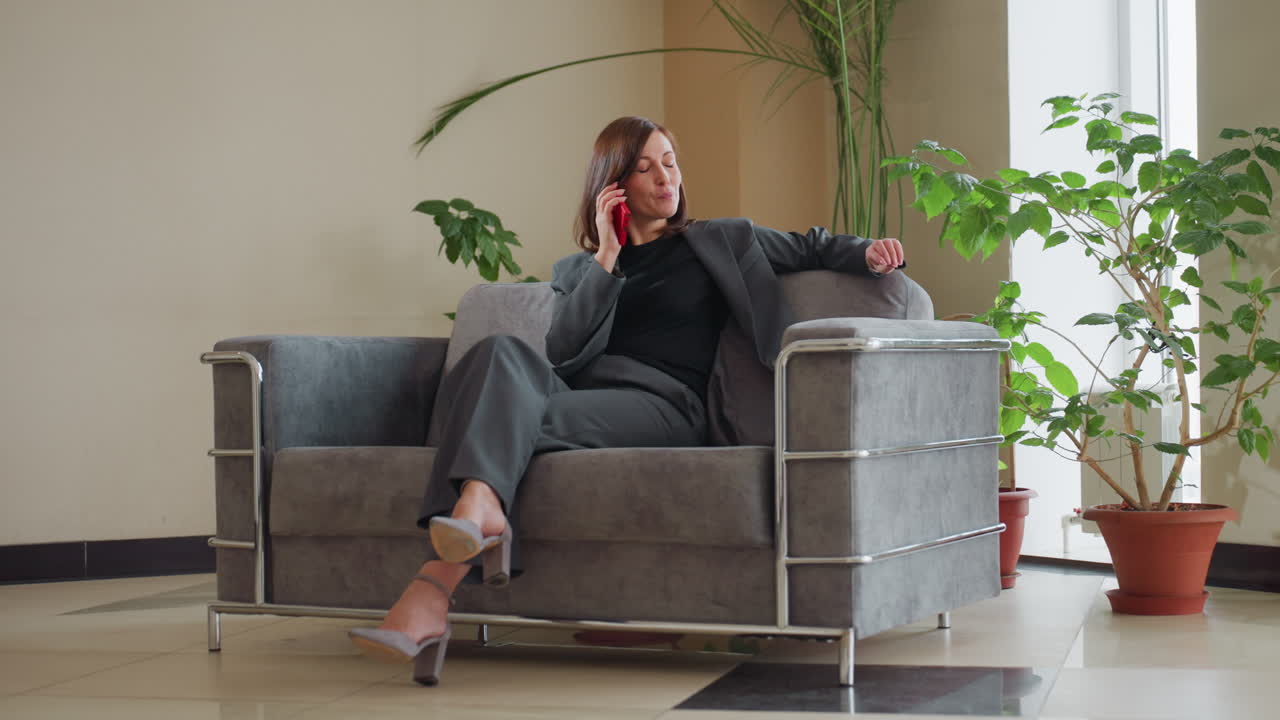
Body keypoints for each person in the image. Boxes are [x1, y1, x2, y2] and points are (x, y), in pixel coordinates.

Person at [348, 116, 906, 685]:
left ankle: (435, 584)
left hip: (664, 405)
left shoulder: (719, 240)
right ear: (611, 187)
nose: (665, 177)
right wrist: (607, 255)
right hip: (587, 400)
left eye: (670, 161)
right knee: (497, 353)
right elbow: (562, 353)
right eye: (644, 167)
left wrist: (869, 253)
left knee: (491, 423)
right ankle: (472, 519)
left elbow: (810, 245)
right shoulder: (580, 270)